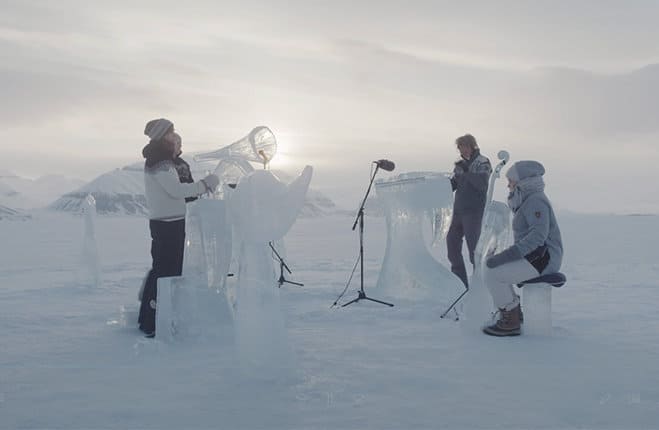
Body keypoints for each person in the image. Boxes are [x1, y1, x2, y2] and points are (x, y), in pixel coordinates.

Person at [138, 118, 219, 337]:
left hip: (168, 221)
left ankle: (148, 319)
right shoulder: (160, 162)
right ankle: (154, 322)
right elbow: (176, 190)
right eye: (171, 132)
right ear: (162, 135)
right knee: (166, 273)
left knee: (162, 270)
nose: (174, 135)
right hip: (167, 224)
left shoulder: (160, 159)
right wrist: (205, 185)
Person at [482, 160, 564, 337]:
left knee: (493, 273)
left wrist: (506, 256)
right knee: (495, 270)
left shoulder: (535, 202)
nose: (508, 184)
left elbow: (537, 237)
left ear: (523, 182)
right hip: (536, 257)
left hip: (544, 259)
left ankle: (510, 319)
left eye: (511, 180)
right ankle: (513, 311)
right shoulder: (528, 200)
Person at [446, 134, 492, 287]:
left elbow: (482, 184)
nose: (461, 150)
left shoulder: (483, 162)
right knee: (452, 246)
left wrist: (466, 173)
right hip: (458, 211)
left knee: (475, 251)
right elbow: (453, 184)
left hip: (473, 211)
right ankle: (460, 285)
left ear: (471, 145)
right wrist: (438, 186)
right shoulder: (460, 165)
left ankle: (480, 285)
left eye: (463, 146)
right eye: (459, 147)